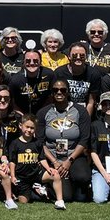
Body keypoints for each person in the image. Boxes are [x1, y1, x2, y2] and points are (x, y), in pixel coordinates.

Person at [36, 78, 91, 207]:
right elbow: (40, 142)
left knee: (82, 176)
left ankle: (74, 185)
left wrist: (69, 161)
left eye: (62, 90)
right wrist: (55, 162)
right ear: (51, 93)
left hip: (73, 155)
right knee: (66, 197)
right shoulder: (43, 112)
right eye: (55, 90)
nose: (59, 92)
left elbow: (84, 139)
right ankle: (42, 187)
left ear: (68, 92)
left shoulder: (80, 111)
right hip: (52, 157)